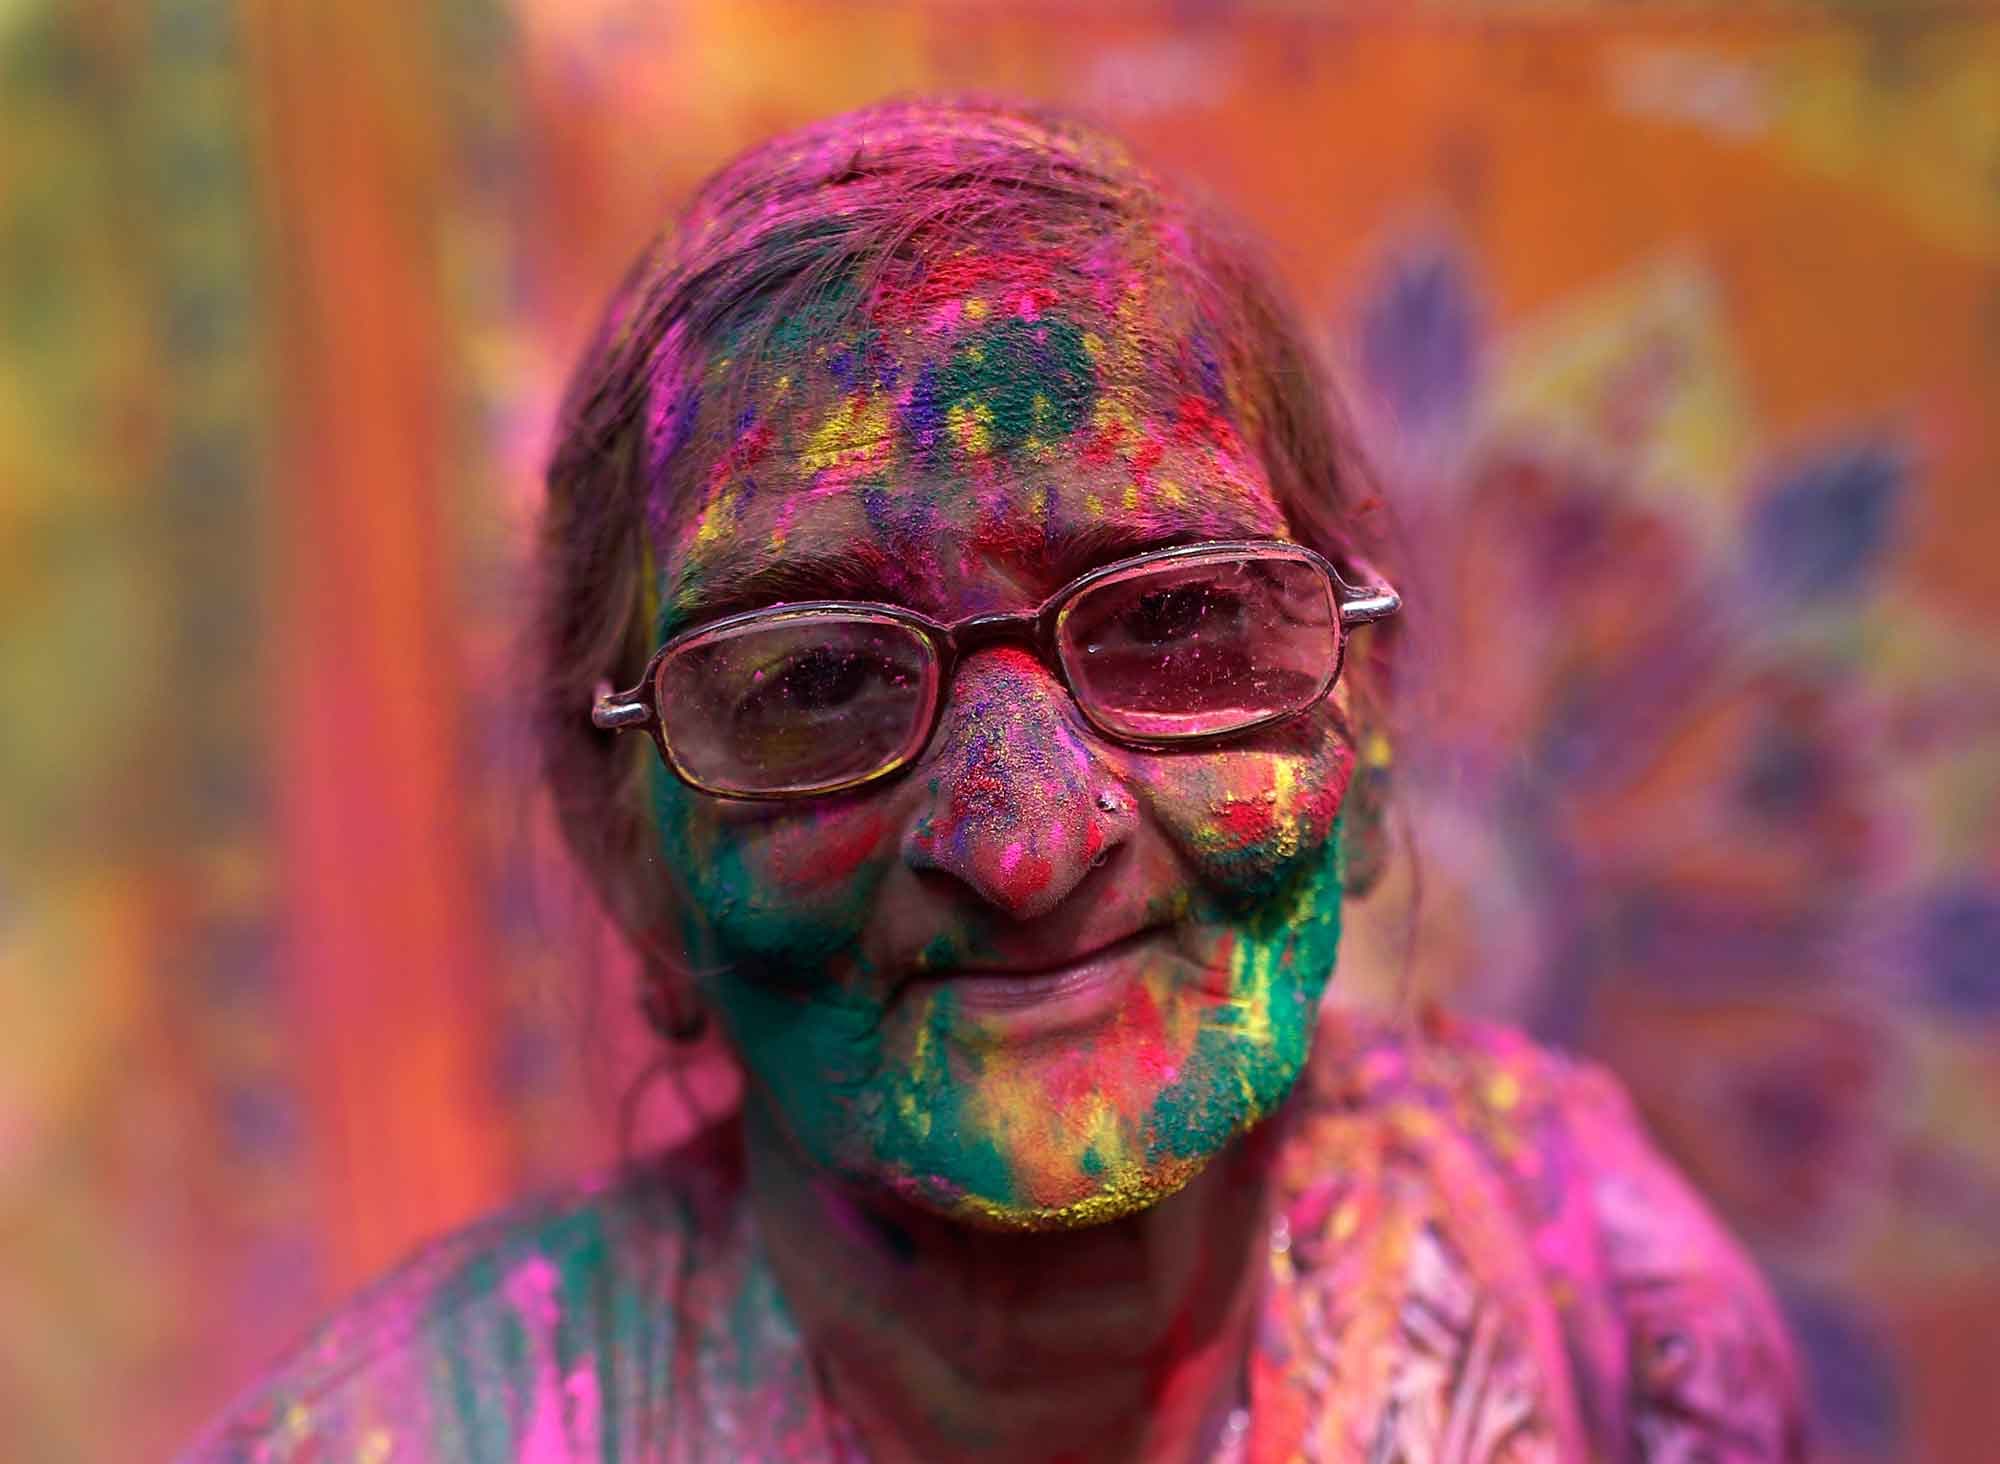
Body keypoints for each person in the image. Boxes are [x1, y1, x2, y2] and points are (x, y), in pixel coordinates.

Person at [193, 98, 1805, 1462]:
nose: (1028, 845)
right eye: (817, 682)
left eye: (1177, 622)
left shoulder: (1593, 1296)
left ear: (1361, 724)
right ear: (625, 844)